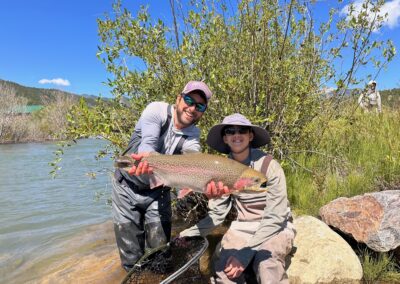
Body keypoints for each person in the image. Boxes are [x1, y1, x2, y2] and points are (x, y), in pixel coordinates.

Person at [178, 113, 296, 284]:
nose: (236, 135)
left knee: (267, 265)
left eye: (242, 130)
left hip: (277, 226)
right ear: (225, 138)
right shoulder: (222, 168)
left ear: (250, 135)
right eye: (230, 131)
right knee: (224, 270)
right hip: (243, 226)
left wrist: (246, 253)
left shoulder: (270, 166)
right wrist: (188, 234)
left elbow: (276, 217)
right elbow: (218, 214)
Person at [112, 81, 214, 271]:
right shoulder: (156, 110)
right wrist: (146, 159)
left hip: (158, 193)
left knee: (160, 254)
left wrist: (207, 185)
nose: (192, 108)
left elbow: (194, 160)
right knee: (131, 257)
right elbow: (148, 143)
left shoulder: (193, 134)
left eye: (199, 106)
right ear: (178, 98)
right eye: (189, 100)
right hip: (126, 188)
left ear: (203, 111)